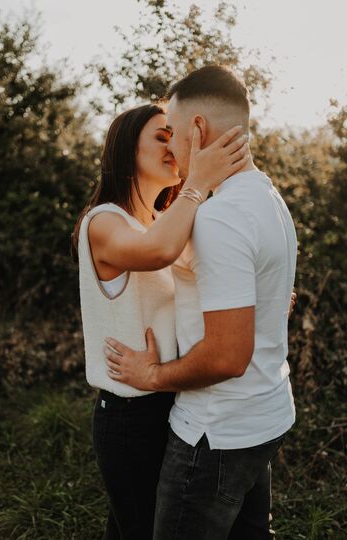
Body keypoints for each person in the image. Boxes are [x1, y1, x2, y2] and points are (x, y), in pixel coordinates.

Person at [105, 66, 298, 540]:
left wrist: (151, 375)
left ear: (198, 129)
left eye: (171, 131)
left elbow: (228, 356)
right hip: (264, 415)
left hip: (214, 432)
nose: (169, 147)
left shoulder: (220, 217)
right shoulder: (267, 196)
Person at [71, 103, 249, 540]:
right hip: (130, 414)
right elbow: (157, 252)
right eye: (161, 136)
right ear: (127, 148)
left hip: (167, 398)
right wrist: (198, 182)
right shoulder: (103, 221)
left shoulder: (155, 221)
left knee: (136, 525)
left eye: (175, 136)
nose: (173, 146)